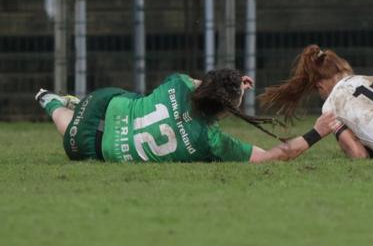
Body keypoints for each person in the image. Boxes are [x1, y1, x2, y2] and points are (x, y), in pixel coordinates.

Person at [36, 69, 337, 163]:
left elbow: (203, 86)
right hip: (95, 146)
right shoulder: (210, 140)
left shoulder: (179, 84)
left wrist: (234, 86)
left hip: (104, 102)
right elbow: (278, 154)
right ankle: (53, 104)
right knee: (70, 132)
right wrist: (318, 131)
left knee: (133, 101)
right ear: (227, 109)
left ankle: (57, 102)